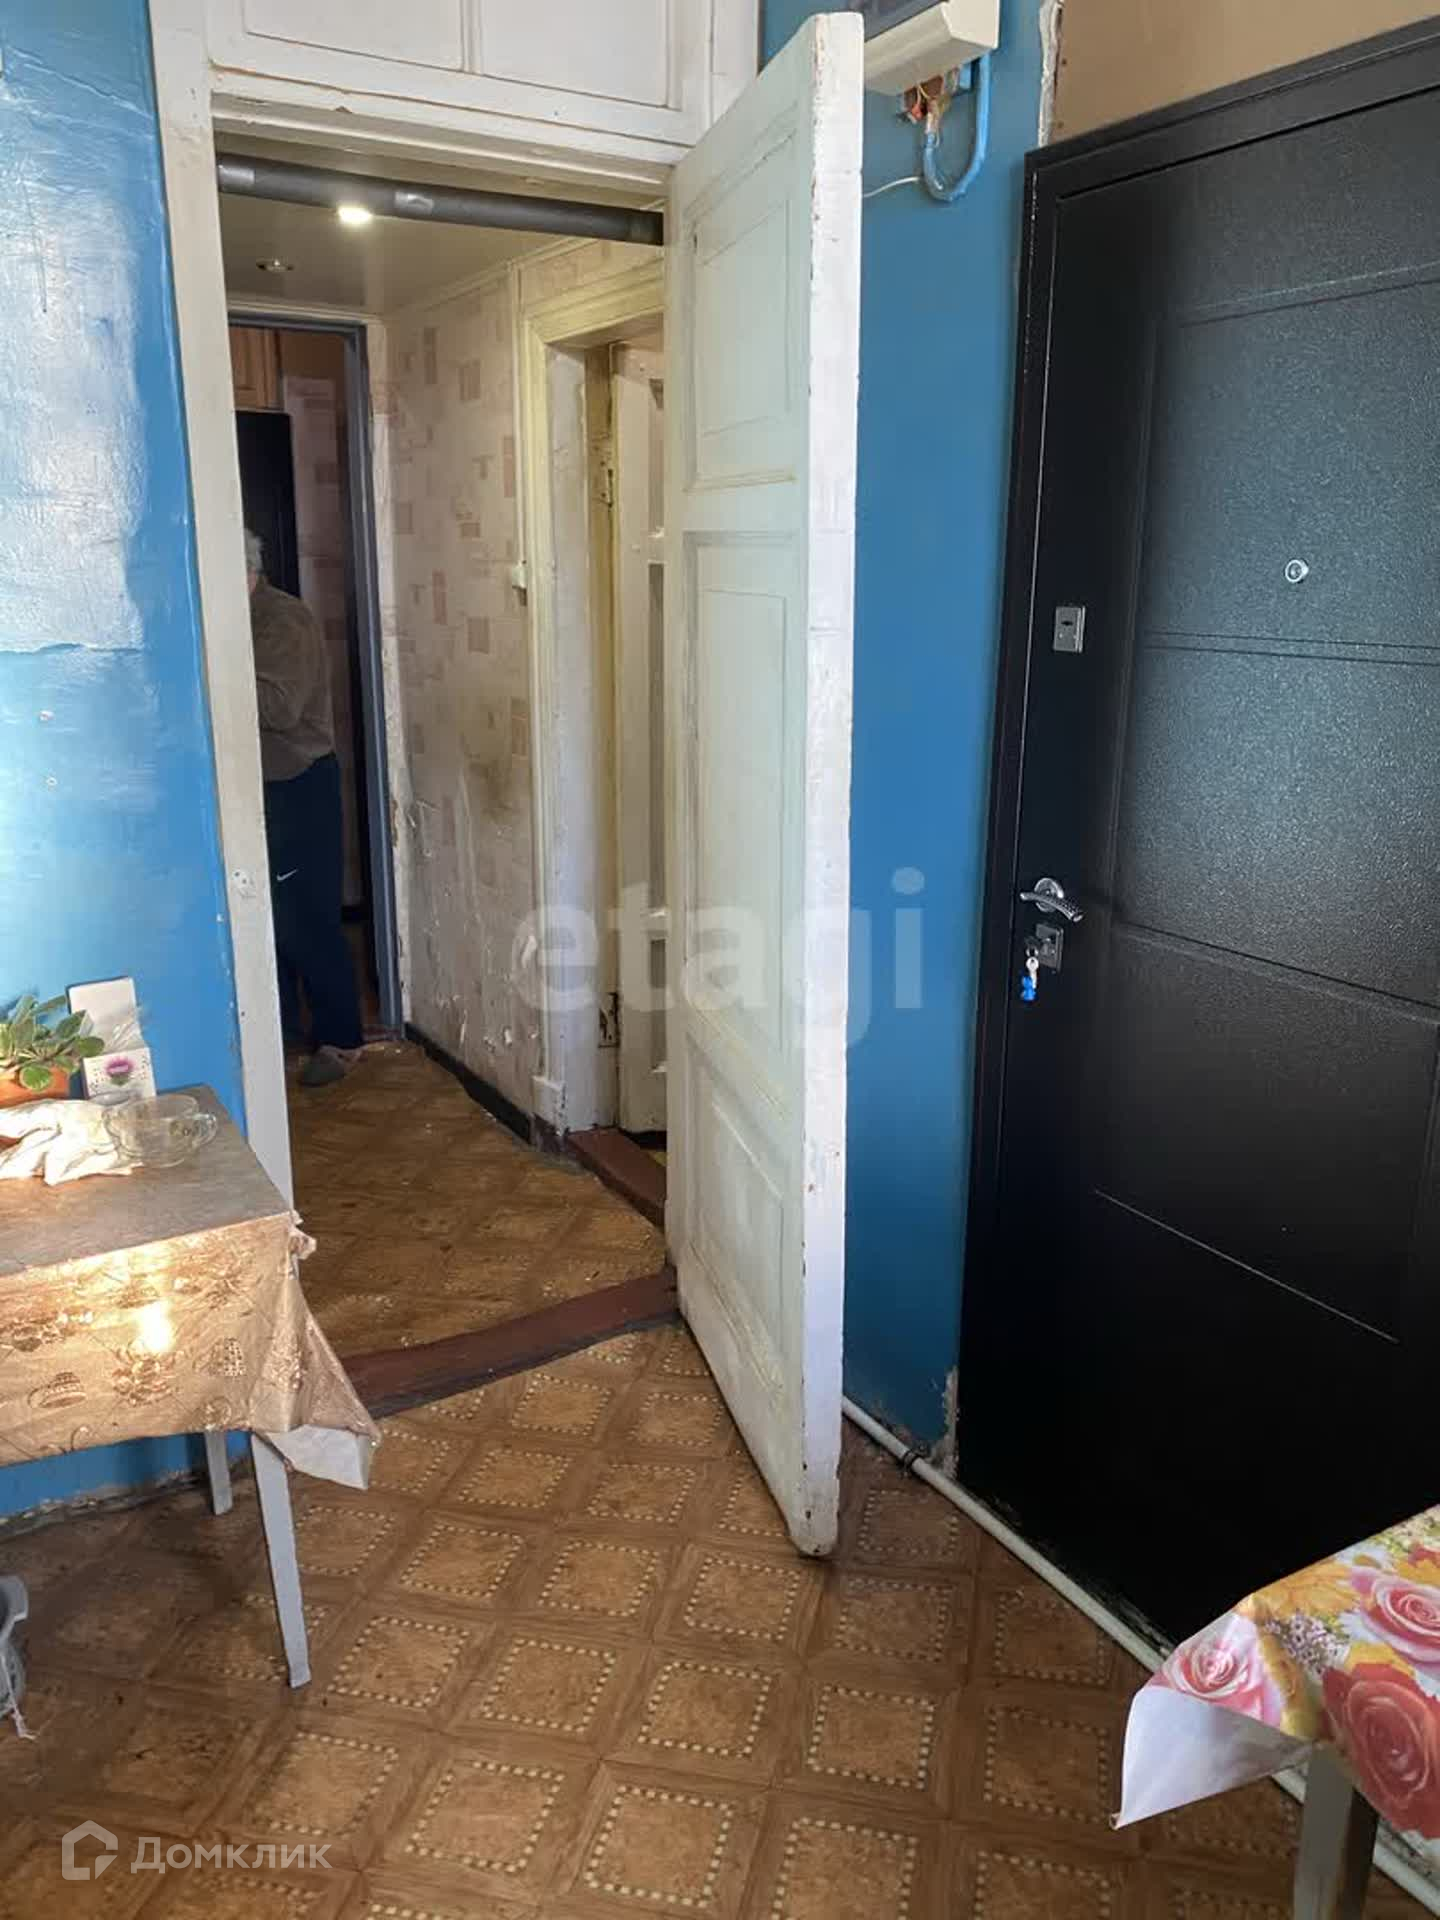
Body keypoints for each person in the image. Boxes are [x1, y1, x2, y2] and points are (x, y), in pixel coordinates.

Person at [246, 528, 364, 1087]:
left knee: (306, 918)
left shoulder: (281, 619)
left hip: (298, 782)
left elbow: (280, 707)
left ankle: (342, 1040)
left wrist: (207, 665)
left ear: (245, 569)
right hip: (264, 783)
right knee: (269, 914)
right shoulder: (243, 617)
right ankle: (287, 1030)